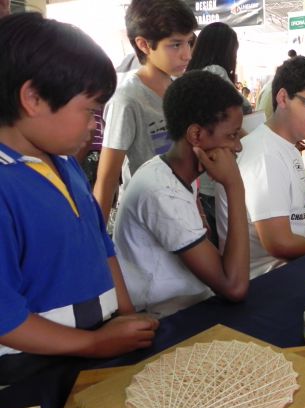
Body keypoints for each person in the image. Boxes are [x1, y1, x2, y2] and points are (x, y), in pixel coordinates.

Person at [0, 13, 159, 384]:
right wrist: (92, 344)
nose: (94, 124)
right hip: (31, 374)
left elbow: (102, 244)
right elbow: (6, 320)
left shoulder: (65, 164)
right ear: (33, 98)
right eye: (89, 110)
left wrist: (125, 316)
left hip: (99, 350)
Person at [113, 71, 249, 316]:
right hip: (166, 318)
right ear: (196, 135)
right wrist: (234, 186)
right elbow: (234, 286)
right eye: (231, 135)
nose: (237, 146)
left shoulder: (176, 173)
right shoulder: (161, 190)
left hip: (190, 304)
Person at [216, 56, 305, 279]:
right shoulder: (265, 155)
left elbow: (304, 215)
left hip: (299, 265)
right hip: (272, 279)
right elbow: (279, 243)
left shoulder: (287, 145)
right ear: (283, 98)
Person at [93, 0, 197, 221]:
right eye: (176, 45)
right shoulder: (127, 99)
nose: (187, 54)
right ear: (144, 45)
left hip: (183, 212)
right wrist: (95, 235)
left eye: (189, 42)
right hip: (145, 220)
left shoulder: (180, 90)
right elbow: (107, 178)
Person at [187, 21, 252, 246]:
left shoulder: (194, 76)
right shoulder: (215, 72)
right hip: (218, 170)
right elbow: (231, 115)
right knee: (229, 239)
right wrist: (257, 142)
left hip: (203, 173)